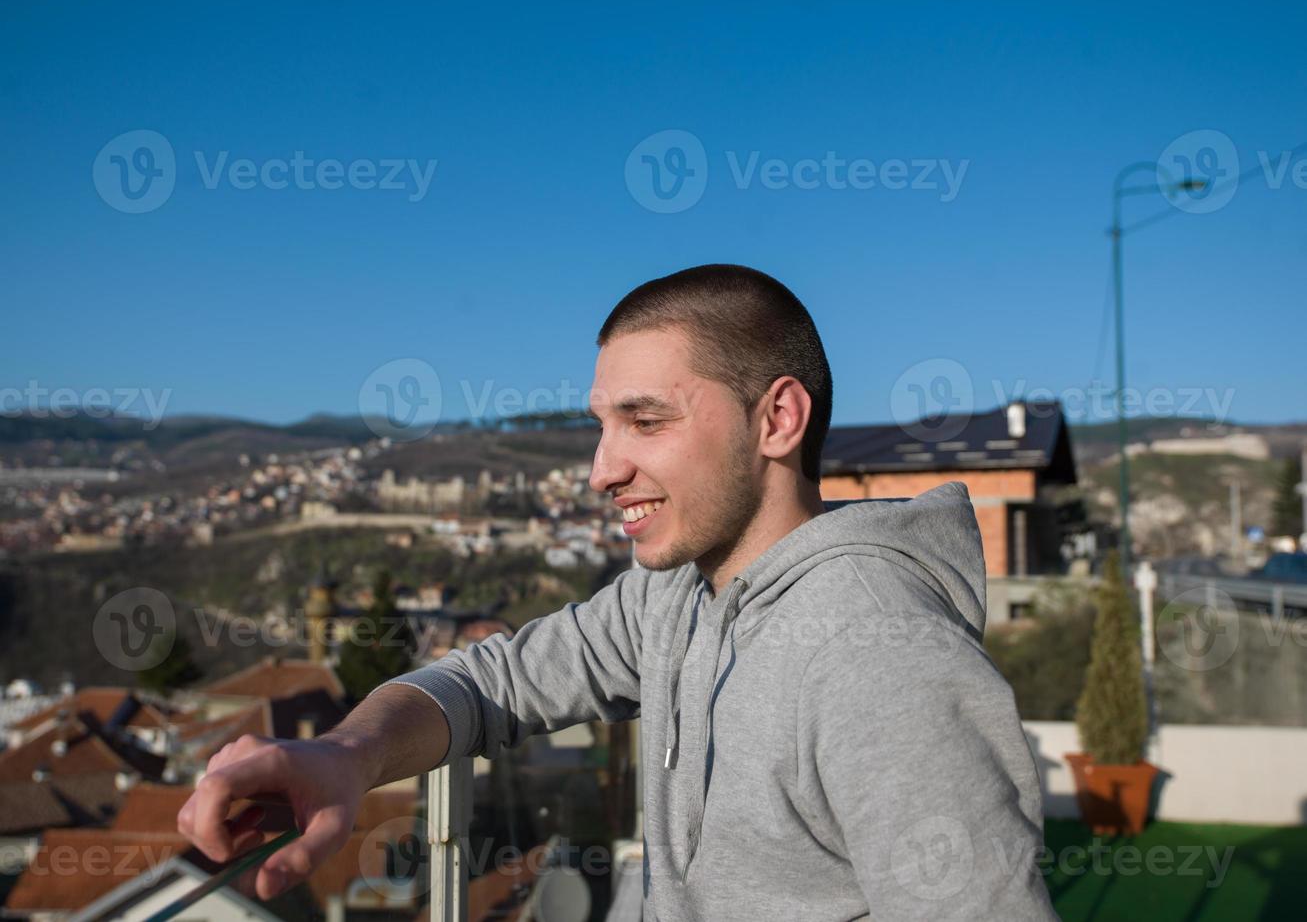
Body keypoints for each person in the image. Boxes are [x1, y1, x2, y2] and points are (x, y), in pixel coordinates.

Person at [177, 264, 1057, 919]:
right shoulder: (675, 594)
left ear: (776, 420)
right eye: (601, 426)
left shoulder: (879, 657)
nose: (602, 469)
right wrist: (349, 756)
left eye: (645, 420)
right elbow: (493, 683)